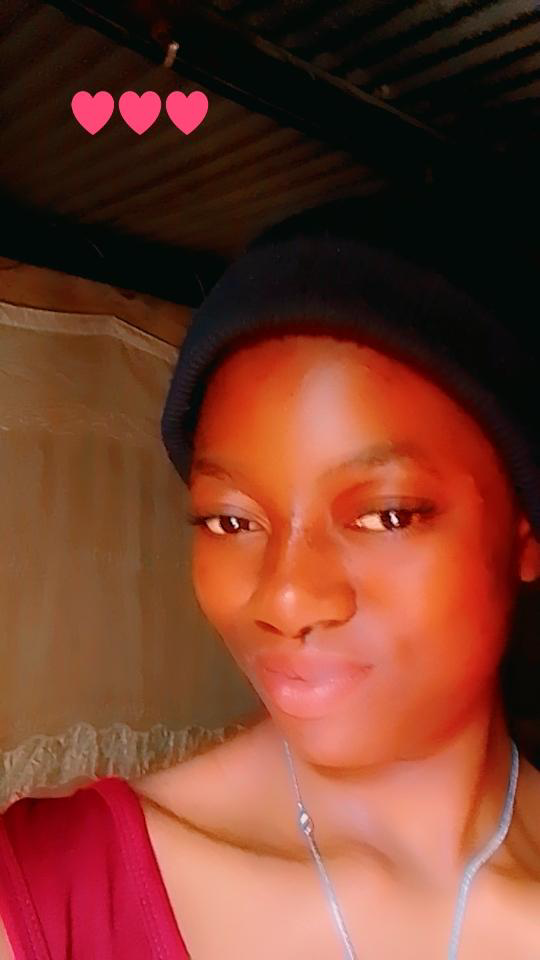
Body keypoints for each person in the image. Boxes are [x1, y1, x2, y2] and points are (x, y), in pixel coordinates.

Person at [0, 187, 538, 959]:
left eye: (386, 515)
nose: (285, 597)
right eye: (232, 520)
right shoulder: (52, 898)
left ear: (525, 534)